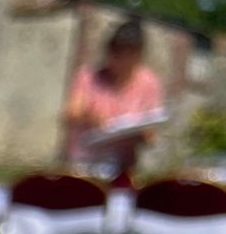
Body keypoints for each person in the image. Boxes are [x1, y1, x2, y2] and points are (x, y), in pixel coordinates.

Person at [62, 19, 165, 174]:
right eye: (116, 54)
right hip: (85, 162)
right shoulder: (88, 76)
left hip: (123, 166)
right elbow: (71, 113)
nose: (121, 62)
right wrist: (93, 118)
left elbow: (151, 135)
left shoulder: (149, 82)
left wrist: (135, 133)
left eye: (127, 56)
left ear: (138, 56)